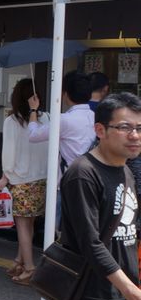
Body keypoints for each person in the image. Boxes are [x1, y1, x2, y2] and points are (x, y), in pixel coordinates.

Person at [42, 93, 141, 300]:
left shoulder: (125, 169)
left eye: (139, 128)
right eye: (125, 127)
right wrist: (130, 290)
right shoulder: (82, 174)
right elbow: (91, 243)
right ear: (100, 130)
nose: (134, 135)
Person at [0, 78, 49, 286]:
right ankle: (20, 260)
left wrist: (5, 176)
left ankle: (29, 268)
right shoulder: (47, 118)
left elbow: (8, 152)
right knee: (30, 223)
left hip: (21, 179)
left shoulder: (12, 121)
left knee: (22, 226)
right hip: (41, 178)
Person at [27, 71, 97, 226]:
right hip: (92, 182)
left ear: (65, 94)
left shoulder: (64, 120)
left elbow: (33, 135)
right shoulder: (95, 117)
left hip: (68, 183)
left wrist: (33, 110)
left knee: (61, 232)